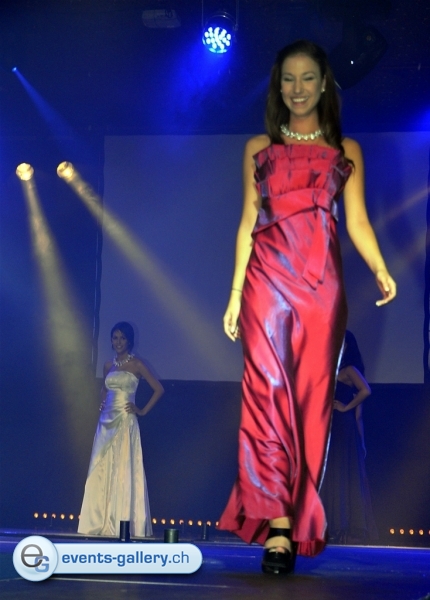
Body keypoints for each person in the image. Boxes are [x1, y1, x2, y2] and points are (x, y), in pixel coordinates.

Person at [218, 40, 396, 575]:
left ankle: (295, 515)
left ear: (323, 85)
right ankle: (277, 527)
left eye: (307, 78)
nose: (297, 89)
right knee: (266, 396)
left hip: (321, 290)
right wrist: (234, 294)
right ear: (279, 87)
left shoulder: (346, 150)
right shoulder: (257, 149)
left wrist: (380, 267)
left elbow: (356, 220)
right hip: (265, 284)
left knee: (310, 403)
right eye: (288, 79)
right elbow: (247, 222)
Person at [78, 321, 164, 537]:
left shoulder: (137, 364)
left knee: (123, 469)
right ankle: (97, 521)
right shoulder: (108, 365)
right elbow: (105, 388)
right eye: (115, 338)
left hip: (125, 420)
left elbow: (158, 389)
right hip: (105, 421)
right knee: (100, 468)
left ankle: (121, 522)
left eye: (122, 338)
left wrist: (141, 410)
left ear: (129, 341)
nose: (118, 342)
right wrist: (102, 402)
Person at [320, 330, 378, 544]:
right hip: (331, 428)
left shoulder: (349, 370)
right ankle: (331, 525)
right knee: (332, 475)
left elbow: (366, 391)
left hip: (342, 428)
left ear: (347, 346)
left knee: (341, 475)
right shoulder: (330, 368)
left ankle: (341, 526)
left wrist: (345, 407)